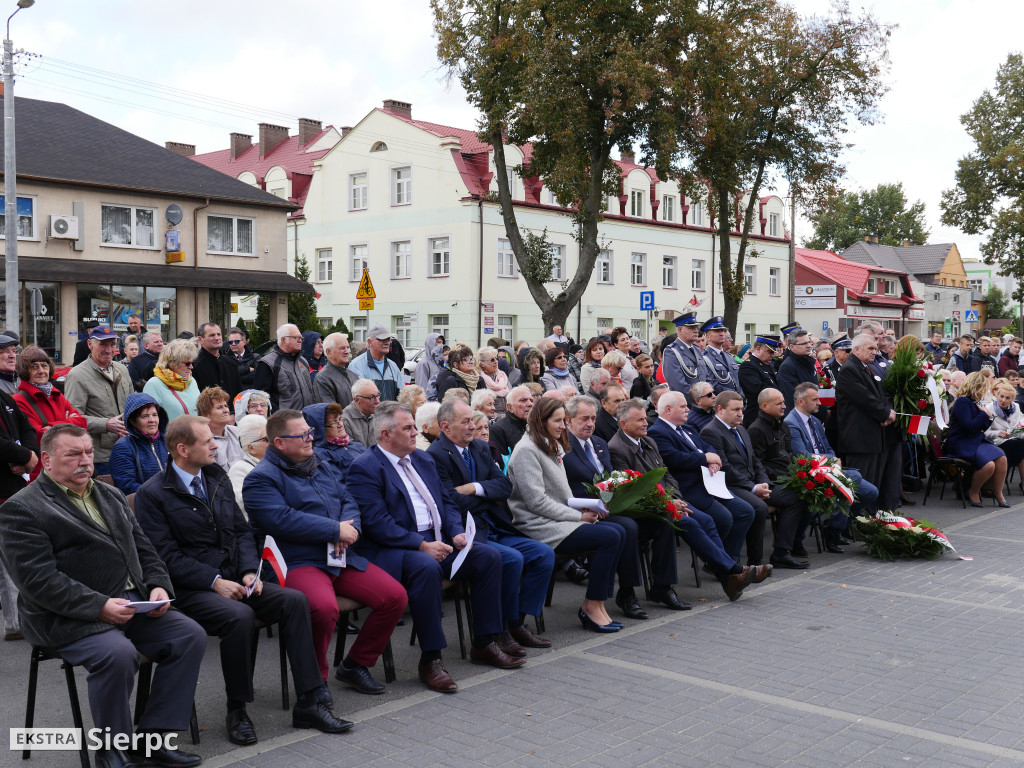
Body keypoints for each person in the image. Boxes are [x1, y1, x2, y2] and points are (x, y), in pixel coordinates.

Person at [136, 415, 353, 743]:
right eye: (207, 441)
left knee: (294, 600)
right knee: (239, 617)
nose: (215, 445)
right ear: (182, 449)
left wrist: (251, 571)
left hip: (236, 577)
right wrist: (214, 581)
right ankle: (237, 708)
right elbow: (164, 556)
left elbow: (240, 532)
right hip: (191, 587)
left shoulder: (216, 477)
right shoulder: (153, 494)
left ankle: (310, 699)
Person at [0, 423, 205, 768]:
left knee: (189, 635)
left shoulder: (108, 494)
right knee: (118, 654)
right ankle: (113, 749)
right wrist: (99, 607)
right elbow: (38, 581)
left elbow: (144, 548)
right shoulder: (22, 509)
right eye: (74, 454)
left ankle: (154, 738)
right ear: (47, 461)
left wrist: (158, 585)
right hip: (63, 616)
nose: (85, 461)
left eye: (89, 453)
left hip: (130, 604)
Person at [347, 401, 524, 693]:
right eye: (408, 428)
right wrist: (421, 545)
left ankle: (484, 641)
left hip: (436, 539)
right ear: (386, 434)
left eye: (414, 426)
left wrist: (455, 532)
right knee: (426, 568)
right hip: (394, 549)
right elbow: (378, 524)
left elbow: (446, 501)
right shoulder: (365, 468)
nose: (416, 432)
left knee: (489, 557)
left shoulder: (422, 459)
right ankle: (431, 659)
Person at [244, 410, 407, 695]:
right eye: (302, 435)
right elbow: (280, 519)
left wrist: (347, 530)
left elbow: (348, 498)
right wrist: (334, 530)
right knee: (322, 608)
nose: (311, 438)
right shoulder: (260, 478)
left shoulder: (319, 463)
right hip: (297, 560)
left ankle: (356, 664)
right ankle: (315, 683)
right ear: (279, 443)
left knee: (395, 597)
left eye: (310, 432)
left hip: (339, 553)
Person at [608, 398, 770, 602]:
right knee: (689, 522)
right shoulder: (616, 448)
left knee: (708, 520)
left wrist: (675, 498)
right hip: (646, 507)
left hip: (669, 499)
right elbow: (634, 488)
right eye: (640, 420)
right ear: (624, 424)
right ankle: (733, 570)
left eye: (644, 419)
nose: (646, 423)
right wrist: (668, 503)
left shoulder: (647, 441)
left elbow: (666, 475)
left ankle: (729, 578)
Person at [428, 400, 554, 650]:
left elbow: (505, 487)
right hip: (466, 532)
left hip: (495, 525)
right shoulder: (435, 455)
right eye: (465, 422)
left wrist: (474, 488)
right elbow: (449, 500)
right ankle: (501, 631)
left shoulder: (480, 448)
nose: (473, 427)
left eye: (473, 421)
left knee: (543, 554)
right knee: (512, 559)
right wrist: (485, 496)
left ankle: (516, 622)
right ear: (445, 426)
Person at [506, 396, 626, 632]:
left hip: (557, 518)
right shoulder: (526, 451)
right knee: (610, 536)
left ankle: (597, 602)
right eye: (558, 421)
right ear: (541, 421)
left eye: (563, 420)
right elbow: (536, 502)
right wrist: (578, 516)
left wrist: (583, 508)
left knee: (619, 531)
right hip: (537, 524)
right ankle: (591, 605)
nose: (563, 426)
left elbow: (560, 494)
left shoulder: (551, 444)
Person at [700, 391, 809, 569]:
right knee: (757, 507)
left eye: (741, 409)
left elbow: (755, 460)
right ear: (720, 409)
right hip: (730, 485)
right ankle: (749, 561)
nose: (740, 413)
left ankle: (781, 552)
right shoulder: (711, 432)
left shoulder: (741, 429)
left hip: (752, 483)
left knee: (796, 496)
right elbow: (726, 468)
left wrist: (763, 482)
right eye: (735, 409)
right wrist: (753, 488)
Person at [648, 391, 757, 565]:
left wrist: (712, 457)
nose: (688, 410)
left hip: (711, 484)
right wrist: (705, 458)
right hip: (689, 489)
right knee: (724, 518)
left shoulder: (688, 428)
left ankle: (725, 560)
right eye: (683, 406)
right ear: (668, 409)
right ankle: (721, 563)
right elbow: (673, 458)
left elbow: (707, 446)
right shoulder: (657, 432)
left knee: (745, 511)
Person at [786, 382, 879, 541]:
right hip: (810, 472)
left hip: (827, 468)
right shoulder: (791, 423)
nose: (820, 403)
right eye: (815, 399)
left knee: (871, 492)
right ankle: (833, 532)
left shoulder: (814, 421)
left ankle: (840, 524)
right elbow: (801, 455)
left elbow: (828, 448)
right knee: (853, 479)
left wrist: (833, 460)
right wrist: (832, 461)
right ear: (801, 401)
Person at [835, 334, 902, 511]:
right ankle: (853, 523)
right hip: (859, 439)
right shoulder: (850, 369)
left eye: (875, 348)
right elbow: (864, 398)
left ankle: (865, 520)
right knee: (861, 486)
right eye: (870, 348)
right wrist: (885, 413)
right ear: (856, 349)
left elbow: (878, 395)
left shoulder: (864, 367)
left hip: (870, 437)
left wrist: (886, 413)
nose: (875, 352)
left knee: (872, 483)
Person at [63, 325, 132, 475]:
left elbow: (132, 405)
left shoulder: (122, 370)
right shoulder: (77, 375)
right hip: (100, 457)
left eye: (112, 344)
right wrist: (105, 424)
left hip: (128, 449)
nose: (108, 350)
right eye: (102, 344)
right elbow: (72, 419)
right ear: (90, 345)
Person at [0, 383, 39, 641]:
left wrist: (28, 455)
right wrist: (26, 455)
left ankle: (23, 619)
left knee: (20, 554)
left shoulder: (4, 397)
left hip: (13, 485)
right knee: (6, 561)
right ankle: (14, 623)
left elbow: (26, 428)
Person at [13, 345, 87, 479]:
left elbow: (82, 424)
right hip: (41, 473)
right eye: (34, 366)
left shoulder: (56, 394)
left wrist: (51, 426)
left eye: (44, 365)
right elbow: (39, 438)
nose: (41, 371)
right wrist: (69, 422)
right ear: (25, 370)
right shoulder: (19, 400)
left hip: (66, 467)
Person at [945, 371, 1009, 507]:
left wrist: (988, 417)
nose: (985, 391)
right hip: (962, 442)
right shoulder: (962, 401)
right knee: (988, 465)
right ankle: (973, 491)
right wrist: (984, 415)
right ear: (976, 387)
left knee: (1002, 458)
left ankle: (998, 493)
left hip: (975, 440)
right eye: (983, 388)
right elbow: (969, 426)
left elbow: (980, 428)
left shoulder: (974, 402)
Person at [109, 393, 168, 495]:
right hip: (145, 505)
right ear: (132, 421)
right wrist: (161, 495)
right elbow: (126, 486)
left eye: (155, 415)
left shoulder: (167, 441)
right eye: (145, 416)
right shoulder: (123, 447)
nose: (152, 420)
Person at [255, 324, 316, 412]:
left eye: (301, 338)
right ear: (283, 340)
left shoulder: (303, 361)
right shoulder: (267, 363)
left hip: (306, 418)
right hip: (283, 421)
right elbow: (260, 397)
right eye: (296, 338)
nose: (300, 341)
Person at [304, 402, 367, 482]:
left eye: (340, 419)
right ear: (321, 429)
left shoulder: (356, 445)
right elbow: (339, 487)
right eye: (333, 422)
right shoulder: (321, 456)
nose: (340, 425)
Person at [143, 339, 201, 422]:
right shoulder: (154, 384)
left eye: (192, 363)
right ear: (173, 364)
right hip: (171, 434)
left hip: (196, 433)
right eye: (187, 364)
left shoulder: (191, 381)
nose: (191, 367)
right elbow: (149, 420)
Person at [347, 324, 405, 402]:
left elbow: (402, 395)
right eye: (382, 339)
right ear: (369, 342)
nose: (387, 343)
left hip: (390, 413)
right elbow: (358, 398)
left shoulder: (393, 366)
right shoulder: (356, 365)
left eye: (388, 339)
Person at [662, 312, 711, 397]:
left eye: (696, 327)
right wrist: (700, 401)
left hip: (704, 401)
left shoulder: (696, 349)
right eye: (691, 328)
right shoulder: (672, 351)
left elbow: (706, 378)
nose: (696, 330)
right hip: (688, 404)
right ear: (680, 329)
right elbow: (678, 385)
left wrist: (709, 396)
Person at [987, 381, 1024, 491]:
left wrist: (1016, 431)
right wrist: (998, 433)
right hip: (997, 441)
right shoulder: (989, 408)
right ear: (997, 395)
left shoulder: (1016, 407)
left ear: (1012, 399)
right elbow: (985, 432)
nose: (1003, 400)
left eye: (1007, 398)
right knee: (1020, 446)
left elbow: (1018, 424)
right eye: (1001, 396)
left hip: (1014, 439)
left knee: (1020, 445)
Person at [738, 335, 782, 427]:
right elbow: (758, 390)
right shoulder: (748, 366)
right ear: (758, 348)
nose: (773, 355)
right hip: (757, 418)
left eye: (774, 352)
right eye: (769, 352)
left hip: (770, 416)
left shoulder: (767, 364)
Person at [229, 414, 267, 517]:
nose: (273, 442)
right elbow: (246, 507)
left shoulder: (278, 463)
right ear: (251, 448)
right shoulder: (239, 469)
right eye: (267, 439)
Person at [197, 386, 243, 471]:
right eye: (219, 407)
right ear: (205, 415)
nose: (226, 410)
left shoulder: (237, 431)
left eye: (225, 406)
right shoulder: (201, 440)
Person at [192, 323, 241, 402]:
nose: (217, 338)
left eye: (219, 334)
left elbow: (238, 394)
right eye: (212, 335)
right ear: (200, 339)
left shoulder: (231, 363)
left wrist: (233, 412)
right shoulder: (193, 365)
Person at [490, 385, 534, 465]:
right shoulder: (498, 430)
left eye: (531, 400)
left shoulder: (538, 427)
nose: (530, 404)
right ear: (510, 407)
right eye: (523, 400)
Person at [777, 329, 818, 412]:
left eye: (809, 342)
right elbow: (796, 397)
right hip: (799, 415)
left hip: (811, 412)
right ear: (792, 347)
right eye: (804, 343)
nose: (809, 346)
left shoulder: (809, 362)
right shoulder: (787, 367)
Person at [314, 332, 360, 408]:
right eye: (342, 348)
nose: (347, 352)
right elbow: (331, 412)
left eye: (347, 348)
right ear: (329, 352)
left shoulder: (353, 375)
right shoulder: (323, 378)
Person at [701, 317, 740, 393]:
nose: (721, 333)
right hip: (722, 400)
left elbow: (738, 381)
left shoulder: (729, 357)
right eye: (717, 331)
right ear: (707, 337)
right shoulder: (705, 358)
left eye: (722, 330)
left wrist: (741, 395)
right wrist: (734, 395)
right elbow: (712, 385)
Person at [342, 379, 380, 447]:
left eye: (378, 396)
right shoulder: (344, 421)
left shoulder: (380, 415)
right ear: (356, 400)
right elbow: (351, 451)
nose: (377, 401)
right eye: (372, 397)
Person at [477, 347, 510, 414]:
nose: (496, 361)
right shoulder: (479, 380)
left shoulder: (502, 376)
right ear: (482, 364)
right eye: (492, 360)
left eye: (496, 358)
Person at [227, 327, 260, 391]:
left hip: (251, 396)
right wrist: (247, 369)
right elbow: (226, 376)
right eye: (230, 342)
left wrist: (235, 377)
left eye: (236, 341)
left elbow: (258, 375)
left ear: (244, 342)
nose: (233, 344)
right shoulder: (225, 359)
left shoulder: (256, 357)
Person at [414, 333, 445, 400]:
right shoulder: (423, 363)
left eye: (442, 342)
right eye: (439, 342)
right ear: (431, 344)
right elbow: (422, 387)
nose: (441, 345)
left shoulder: (442, 363)